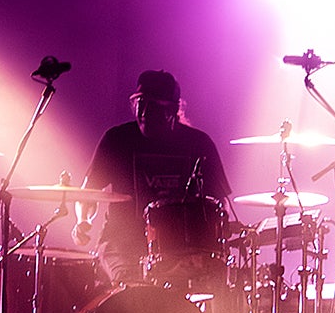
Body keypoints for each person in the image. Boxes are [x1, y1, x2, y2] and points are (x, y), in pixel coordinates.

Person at [77, 70, 233, 283]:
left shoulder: (199, 144)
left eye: (152, 106)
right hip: (121, 243)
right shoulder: (117, 139)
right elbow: (88, 192)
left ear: (173, 109)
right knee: (132, 288)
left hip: (182, 247)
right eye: (139, 104)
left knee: (215, 282)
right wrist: (83, 220)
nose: (143, 112)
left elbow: (219, 202)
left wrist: (219, 231)